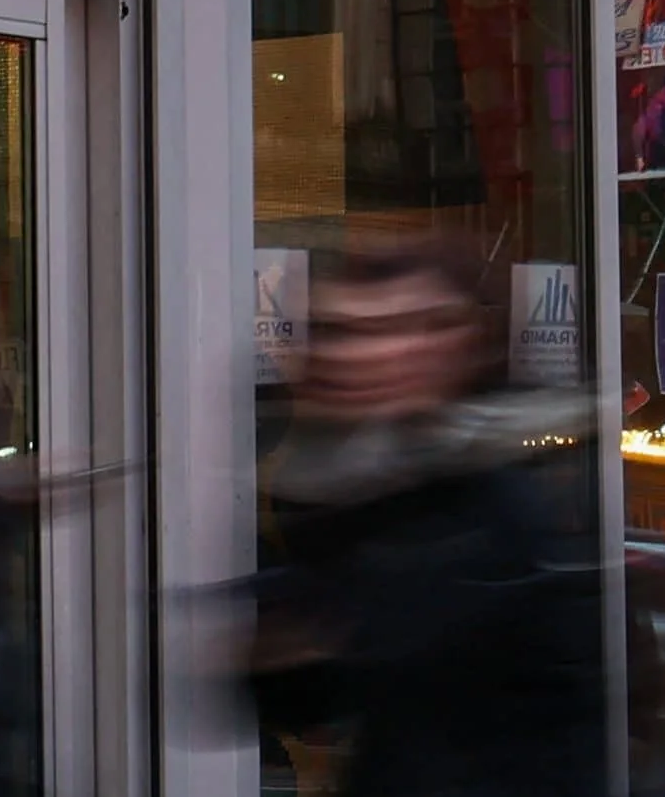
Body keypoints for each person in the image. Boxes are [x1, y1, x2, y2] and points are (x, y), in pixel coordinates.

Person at [246, 240, 605, 797]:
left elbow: (398, 641)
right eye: (336, 332)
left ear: (454, 346)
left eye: (385, 330)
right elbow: (299, 694)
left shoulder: (486, 513)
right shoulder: (365, 489)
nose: (348, 355)